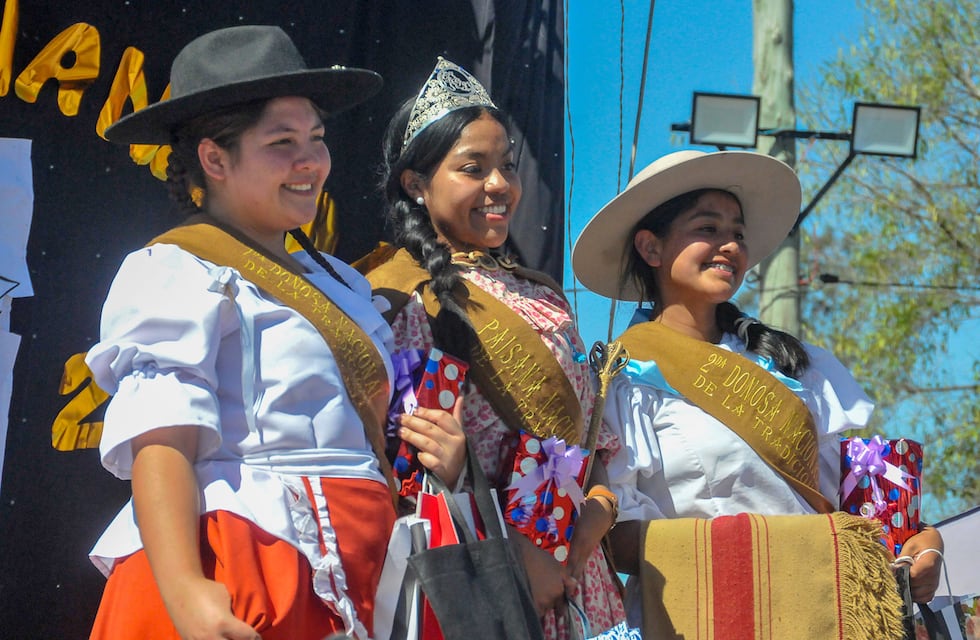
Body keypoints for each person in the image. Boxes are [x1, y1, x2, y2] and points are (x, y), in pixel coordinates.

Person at [86, 25, 398, 640]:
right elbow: (163, 442)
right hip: (248, 555)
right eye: (282, 142)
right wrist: (187, 591)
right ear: (214, 159)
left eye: (316, 138)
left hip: (363, 558)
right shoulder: (176, 269)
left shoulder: (339, 281)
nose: (310, 161)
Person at [570, 149, 944, 637]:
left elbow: (848, 508)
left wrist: (922, 541)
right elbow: (617, 538)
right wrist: (758, 549)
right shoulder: (622, 381)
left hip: (820, 613)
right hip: (697, 616)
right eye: (708, 228)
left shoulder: (791, 366)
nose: (729, 245)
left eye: (738, 234)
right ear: (650, 247)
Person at [366, 58, 627, 638]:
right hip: (481, 574)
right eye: (473, 168)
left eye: (507, 165)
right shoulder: (403, 297)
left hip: (580, 577)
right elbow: (408, 472)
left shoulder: (544, 297)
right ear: (415, 184)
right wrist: (517, 549)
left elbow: (591, 444)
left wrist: (590, 523)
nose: (500, 185)